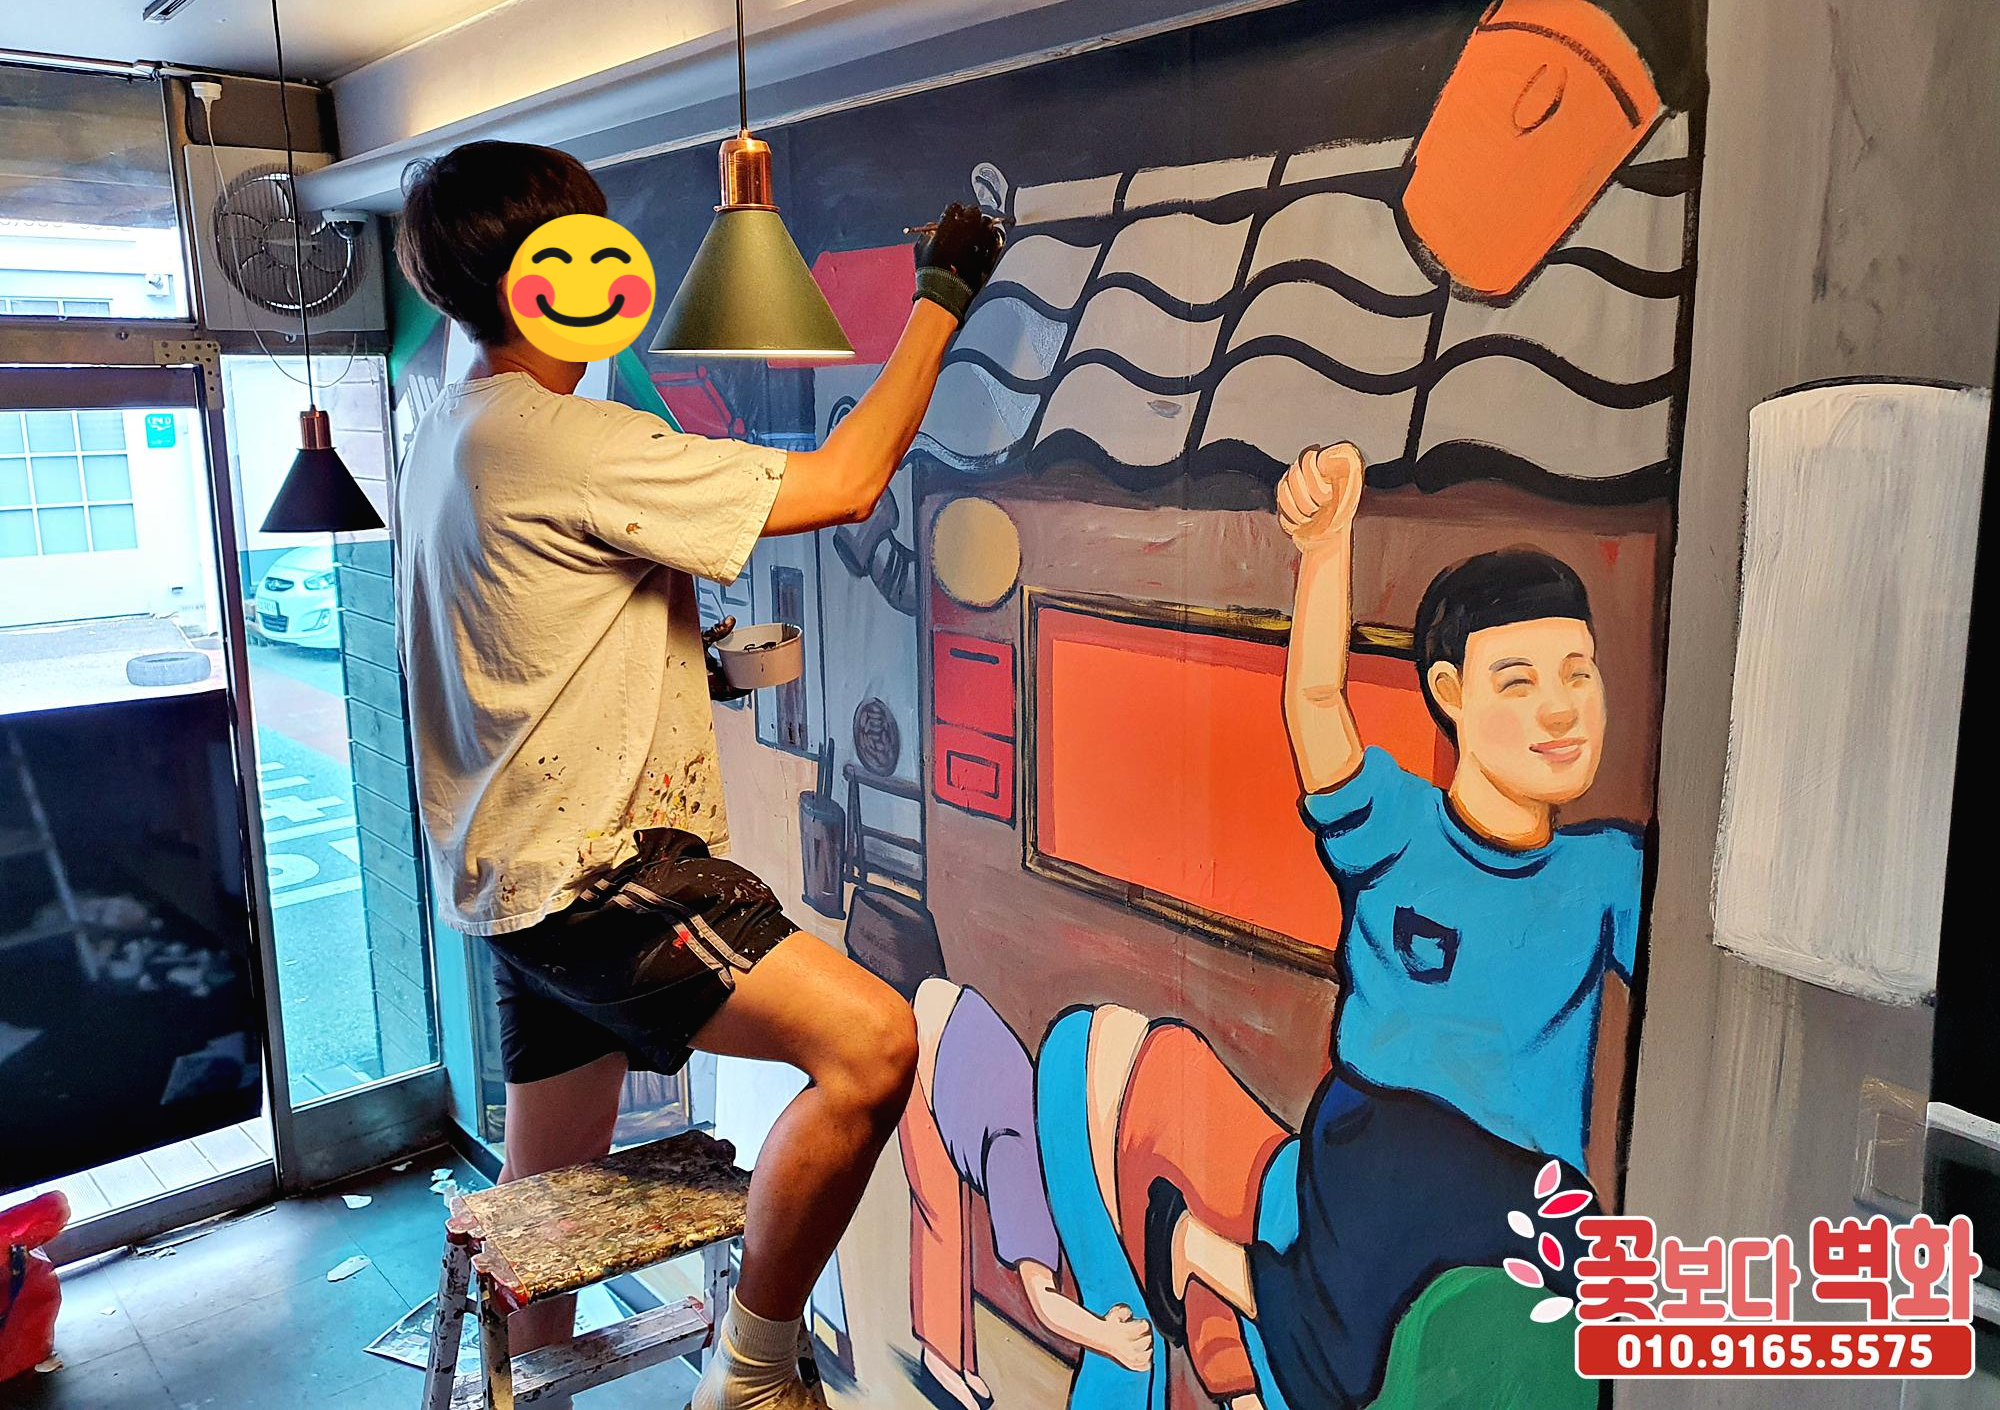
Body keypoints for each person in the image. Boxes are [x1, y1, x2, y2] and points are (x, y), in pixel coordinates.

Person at [392, 139, 1005, 1410]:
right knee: (871, 1048)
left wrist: (697, 670)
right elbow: (846, 482)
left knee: (550, 1210)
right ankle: (753, 1375)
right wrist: (941, 298)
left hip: (512, 887)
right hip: (600, 881)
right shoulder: (562, 438)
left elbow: (526, 641)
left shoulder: (447, 430)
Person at [1090, 442, 1640, 1409]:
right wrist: (1325, 546)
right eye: (1518, 682)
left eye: (1578, 675)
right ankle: (1207, 1256)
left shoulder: (1612, 873)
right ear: (1450, 696)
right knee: (1357, 1352)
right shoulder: (1398, 827)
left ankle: (1205, 1254)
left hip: (1533, 1182)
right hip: (1384, 1136)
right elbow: (1314, 702)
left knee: (1574, 1334)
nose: (1560, 710)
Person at [898, 979, 1152, 1410]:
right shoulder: (1023, 1171)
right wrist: (1108, 1338)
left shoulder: (1052, 1127)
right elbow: (1043, 1301)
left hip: (959, 1031)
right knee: (940, 1218)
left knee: (949, 1215)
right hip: (925, 1045)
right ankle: (940, 1359)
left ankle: (955, 1362)